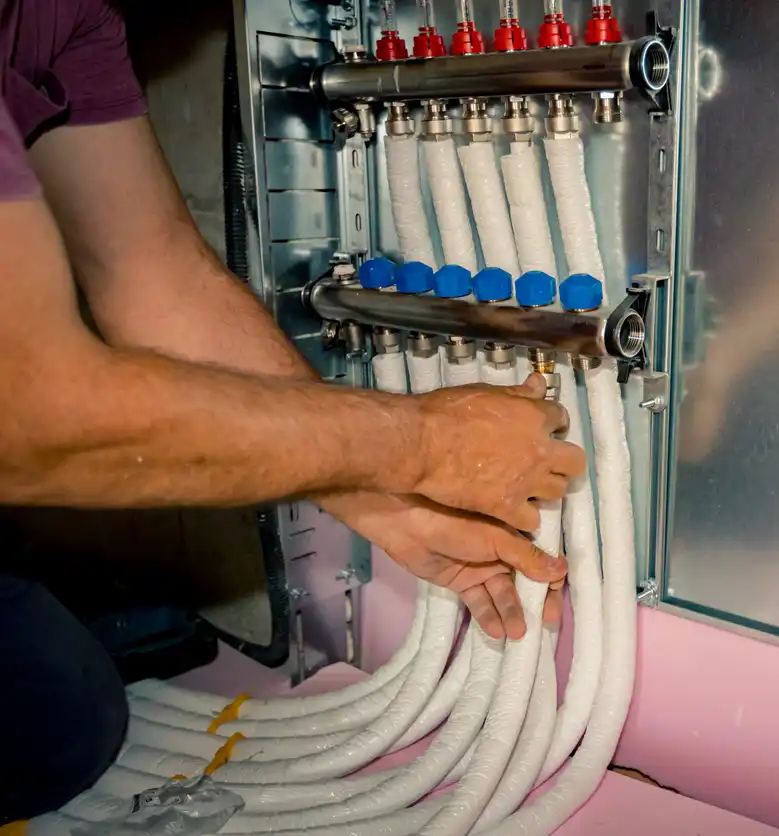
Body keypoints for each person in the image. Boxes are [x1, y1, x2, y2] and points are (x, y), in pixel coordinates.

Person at [0, 0, 585, 823]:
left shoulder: (79, 18)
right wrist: (420, 444)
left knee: (67, 723)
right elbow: (30, 414)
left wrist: (380, 501)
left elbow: (155, 274)